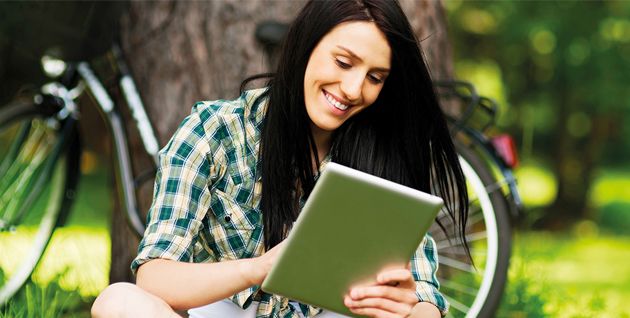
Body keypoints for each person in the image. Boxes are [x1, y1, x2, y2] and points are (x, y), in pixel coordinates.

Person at [91, 0, 468, 317]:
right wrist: (262, 267)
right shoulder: (214, 131)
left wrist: (408, 307)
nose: (353, 89)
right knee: (117, 301)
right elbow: (154, 276)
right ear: (306, 45)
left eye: (375, 77)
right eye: (343, 62)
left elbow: (425, 296)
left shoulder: (384, 153)